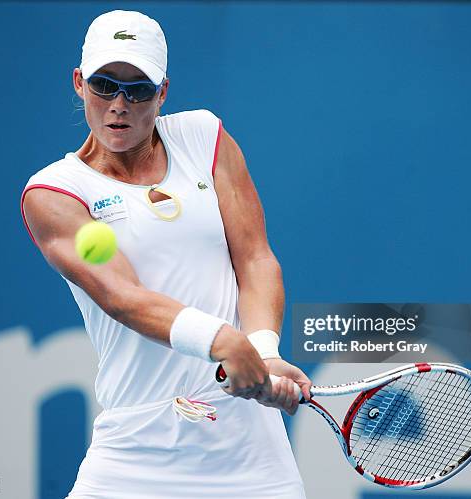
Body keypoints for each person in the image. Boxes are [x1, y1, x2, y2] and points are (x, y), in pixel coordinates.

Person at [21, 10, 311, 499]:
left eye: (138, 89)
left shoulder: (204, 136)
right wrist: (222, 340)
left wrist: (262, 350)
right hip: (135, 453)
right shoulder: (54, 192)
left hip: (253, 459)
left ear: (163, 93)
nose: (119, 104)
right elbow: (123, 295)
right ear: (79, 83)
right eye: (104, 84)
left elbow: (256, 258)